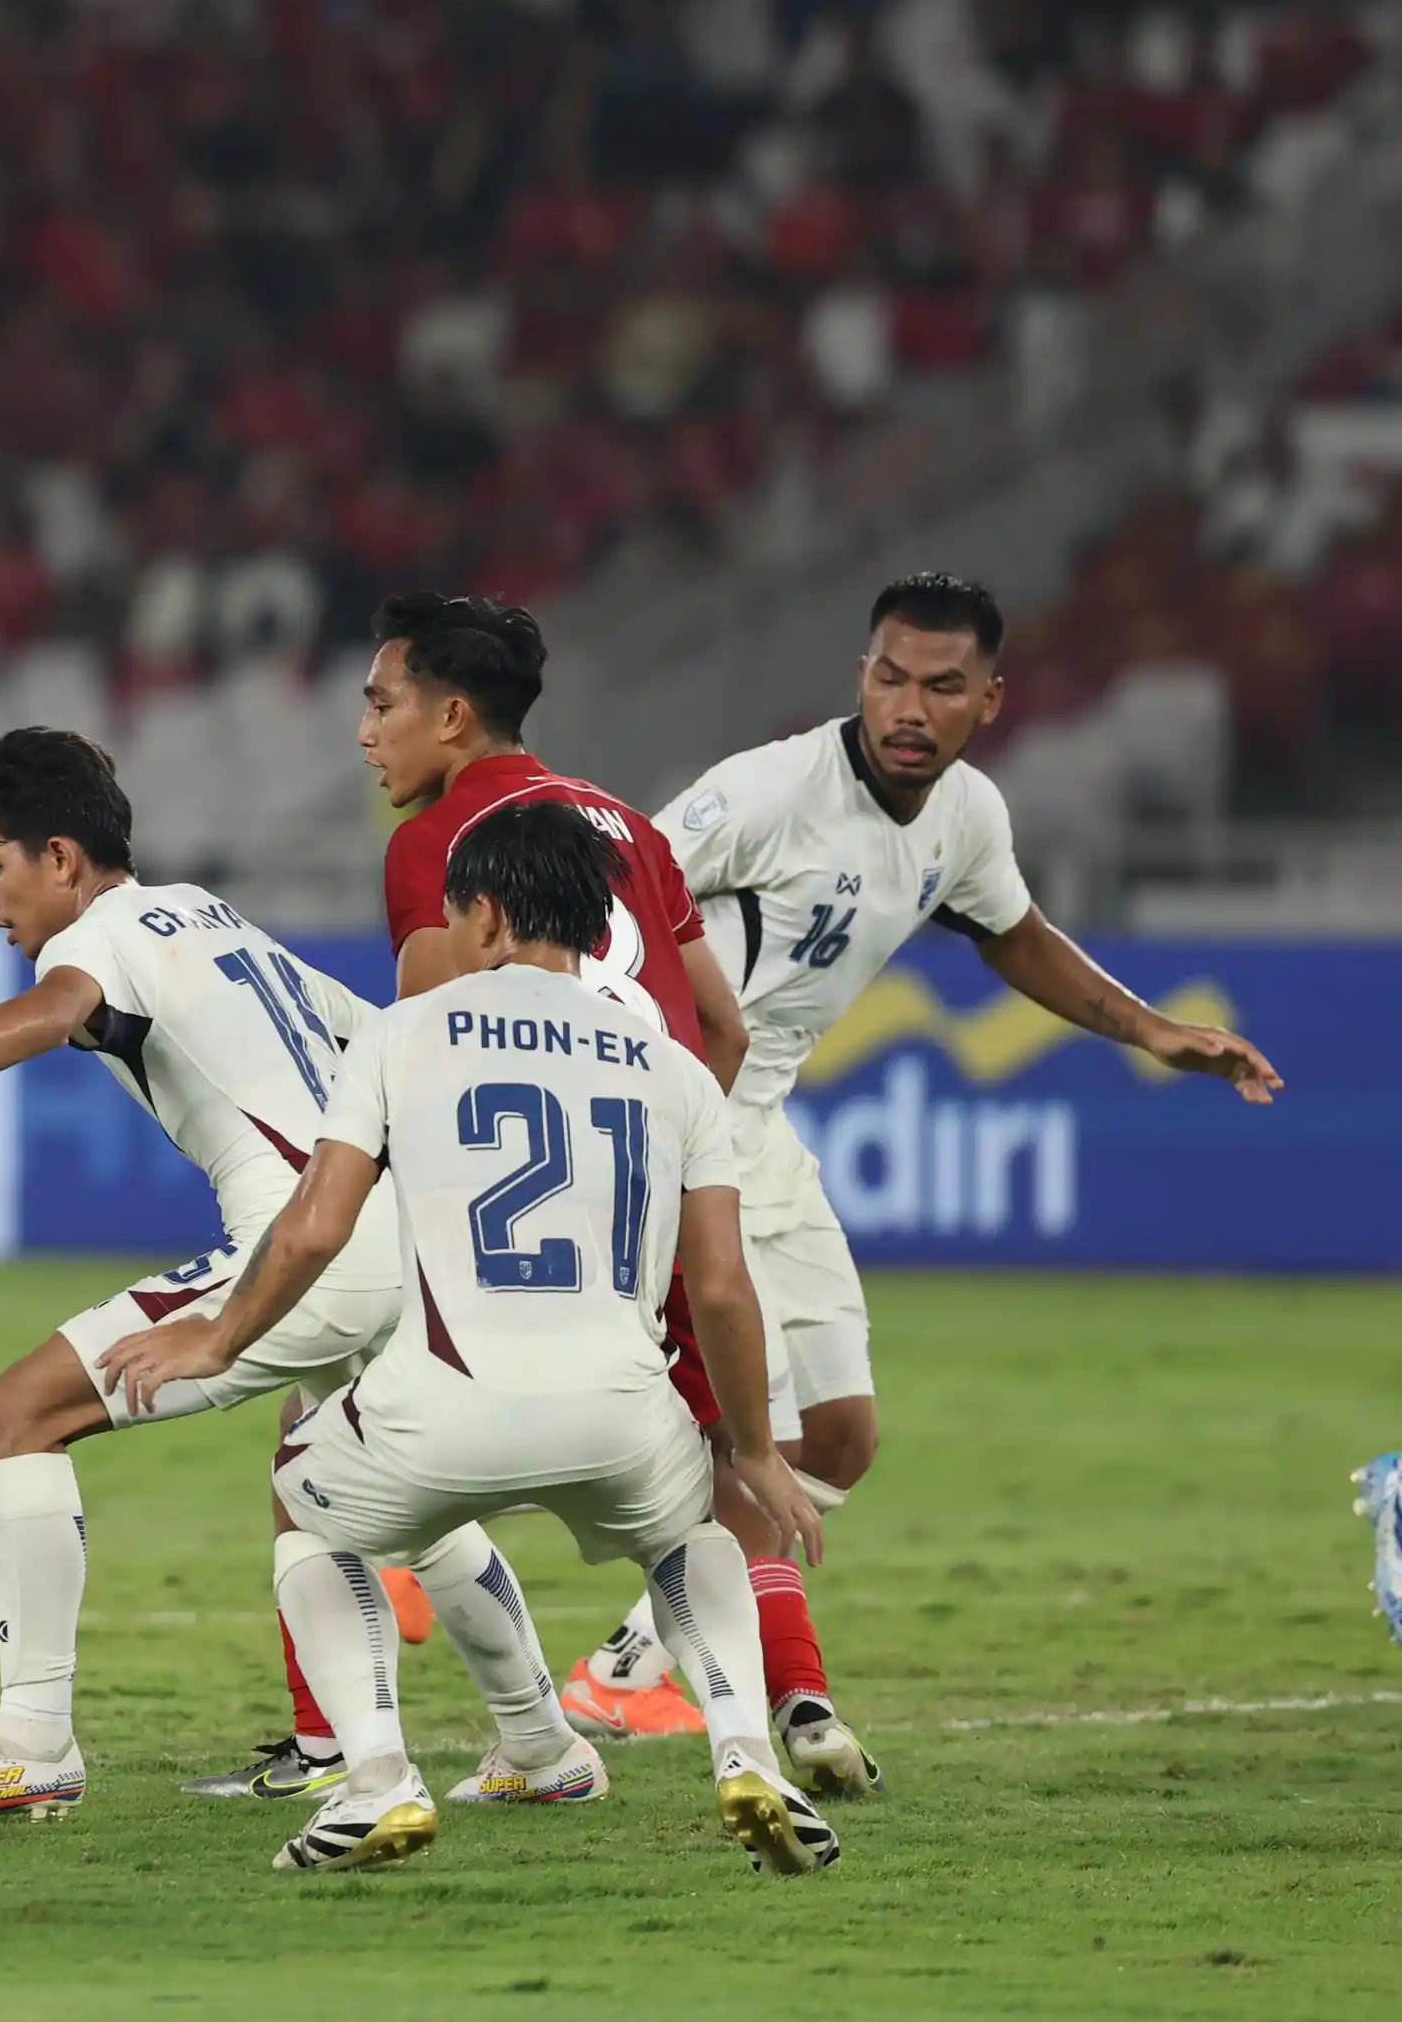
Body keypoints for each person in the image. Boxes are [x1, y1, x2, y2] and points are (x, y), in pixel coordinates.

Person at [0, 730, 599, 1825]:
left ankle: (32, 1738)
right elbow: (374, 1034)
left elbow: (54, 1013)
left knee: (16, 1412)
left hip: (303, 1243)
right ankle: (538, 1740)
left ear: (60, 856)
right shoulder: (203, 912)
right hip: (396, 1236)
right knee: (394, 1496)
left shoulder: (101, 937)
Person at [565, 571, 1284, 1750]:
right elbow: (607, 891)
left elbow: (1013, 932)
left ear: (986, 698)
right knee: (744, 1444)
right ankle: (757, 1702)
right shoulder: (764, 792)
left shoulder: (963, 819)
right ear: (860, 673)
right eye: (888, 676)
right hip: (674, 1121)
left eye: (939, 685)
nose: (907, 704)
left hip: (765, 1125)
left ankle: (624, 1663)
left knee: (839, 1434)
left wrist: (1153, 1028)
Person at [100, 800, 845, 1877]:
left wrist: (216, 1335)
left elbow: (314, 1222)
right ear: (592, 926)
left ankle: (374, 1780)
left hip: (437, 1409)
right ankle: (743, 1750)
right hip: (621, 1416)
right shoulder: (669, 1066)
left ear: (484, 916)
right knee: (689, 1538)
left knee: (308, 1521)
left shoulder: (401, 1035)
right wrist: (755, 1448)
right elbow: (721, 1286)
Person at [189, 587, 784, 1805]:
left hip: (499, 1235)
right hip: (643, 1198)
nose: (362, 733)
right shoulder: (630, 826)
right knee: (706, 1494)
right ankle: (766, 1735)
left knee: (319, 1461)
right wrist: (660, 1155)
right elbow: (721, 1025)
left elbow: (429, 1048)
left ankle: (351, 1754)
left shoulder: (441, 843)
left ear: (449, 714)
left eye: (379, 703)